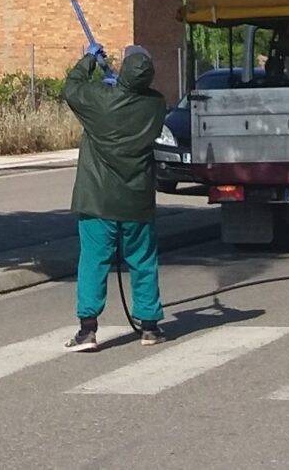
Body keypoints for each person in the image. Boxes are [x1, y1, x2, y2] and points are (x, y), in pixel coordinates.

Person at [63, 43, 168, 349]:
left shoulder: (100, 101)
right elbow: (134, 95)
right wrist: (119, 83)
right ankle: (149, 327)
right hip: (136, 199)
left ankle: (88, 329)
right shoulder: (156, 105)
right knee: (143, 260)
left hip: (97, 198)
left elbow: (72, 88)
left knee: (94, 261)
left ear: (122, 72)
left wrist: (89, 61)